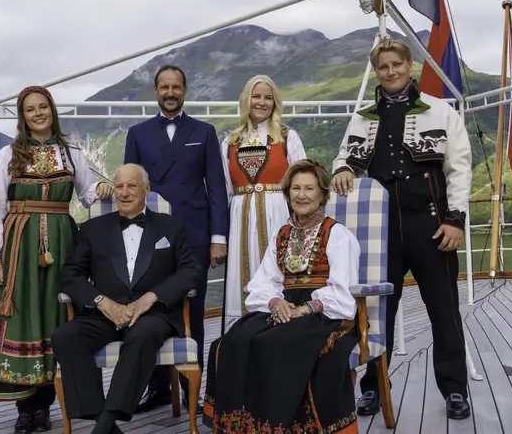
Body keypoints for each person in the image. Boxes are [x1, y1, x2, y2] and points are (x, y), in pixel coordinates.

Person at [331, 36, 472, 419]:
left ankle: (455, 389)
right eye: (383, 67)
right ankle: (374, 387)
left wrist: (455, 220)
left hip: (431, 226)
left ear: (410, 66)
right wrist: (343, 169)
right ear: (376, 72)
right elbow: (344, 157)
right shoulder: (363, 117)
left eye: (397, 64)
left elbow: (458, 169)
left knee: (444, 311)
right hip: (379, 233)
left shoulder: (441, 112)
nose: (390, 72)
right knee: (377, 313)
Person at [0, 85, 113, 434]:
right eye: (30, 109)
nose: (37, 113)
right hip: (18, 247)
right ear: (23, 116)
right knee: (23, 319)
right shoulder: (8, 154)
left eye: (43, 107)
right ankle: (24, 408)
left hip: (63, 245)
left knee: (56, 319)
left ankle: (46, 405)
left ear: (52, 110)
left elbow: (88, 194)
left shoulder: (72, 152)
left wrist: (104, 190)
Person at [202, 159, 361, 433]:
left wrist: (306, 309)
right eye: (295, 188)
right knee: (231, 341)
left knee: (274, 344)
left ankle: (278, 425)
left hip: (324, 313)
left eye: (309, 189)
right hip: (285, 305)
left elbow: (343, 288)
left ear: (322, 194)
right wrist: (275, 302)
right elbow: (265, 280)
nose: (301, 195)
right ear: (287, 194)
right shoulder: (281, 233)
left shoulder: (337, 234)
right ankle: (243, 423)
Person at [52, 164, 201, 434]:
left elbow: (191, 270)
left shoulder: (170, 226)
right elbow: (71, 274)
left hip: (153, 314)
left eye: (132, 186)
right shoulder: (92, 228)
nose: (124, 192)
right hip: (105, 314)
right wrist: (101, 302)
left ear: (146, 189)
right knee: (65, 336)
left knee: (142, 336)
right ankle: (106, 425)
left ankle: (104, 425)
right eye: (119, 186)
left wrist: (153, 297)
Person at [123, 64, 229, 411]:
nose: (171, 93)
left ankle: (190, 390)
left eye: (177, 87)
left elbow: (215, 187)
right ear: (156, 91)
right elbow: (129, 188)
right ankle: (157, 389)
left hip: (194, 235)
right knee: (149, 311)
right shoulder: (137, 134)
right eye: (164, 87)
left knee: (192, 311)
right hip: (149, 235)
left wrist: (218, 238)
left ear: (185, 91)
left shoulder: (205, 131)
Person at [220, 75, 307, 331]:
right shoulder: (230, 142)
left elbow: (302, 181)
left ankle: (281, 331)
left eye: (268, 97)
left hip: (278, 213)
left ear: (275, 102)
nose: (262, 102)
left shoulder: (287, 137)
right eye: (256, 96)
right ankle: (241, 337)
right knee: (242, 276)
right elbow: (225, 189)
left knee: (279, 272)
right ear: (246, 99)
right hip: (241, 218)